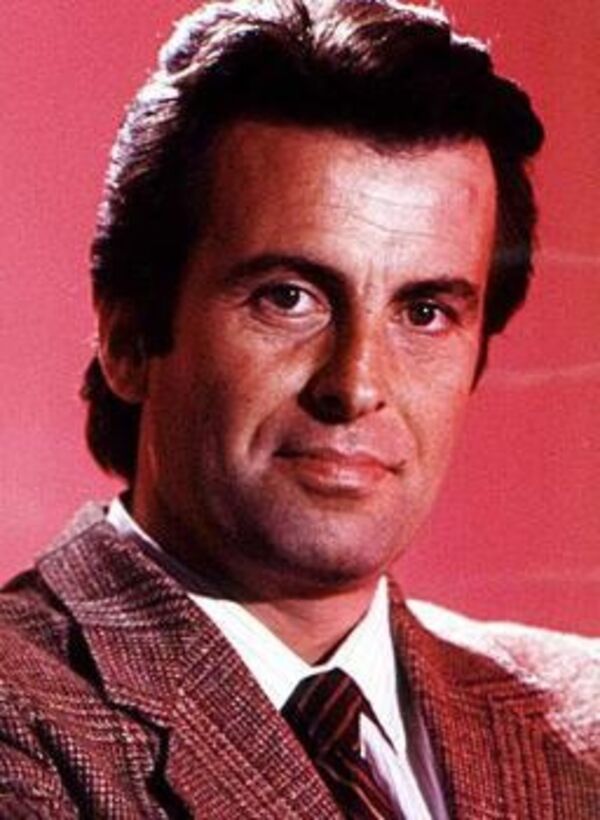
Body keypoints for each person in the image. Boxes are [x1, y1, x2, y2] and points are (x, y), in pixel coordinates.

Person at [0, 0, 597, 817]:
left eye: (425, 312)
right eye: (289, 298)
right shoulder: (21, 717)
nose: (355, 384)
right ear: (129, 340)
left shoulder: (586, 719)